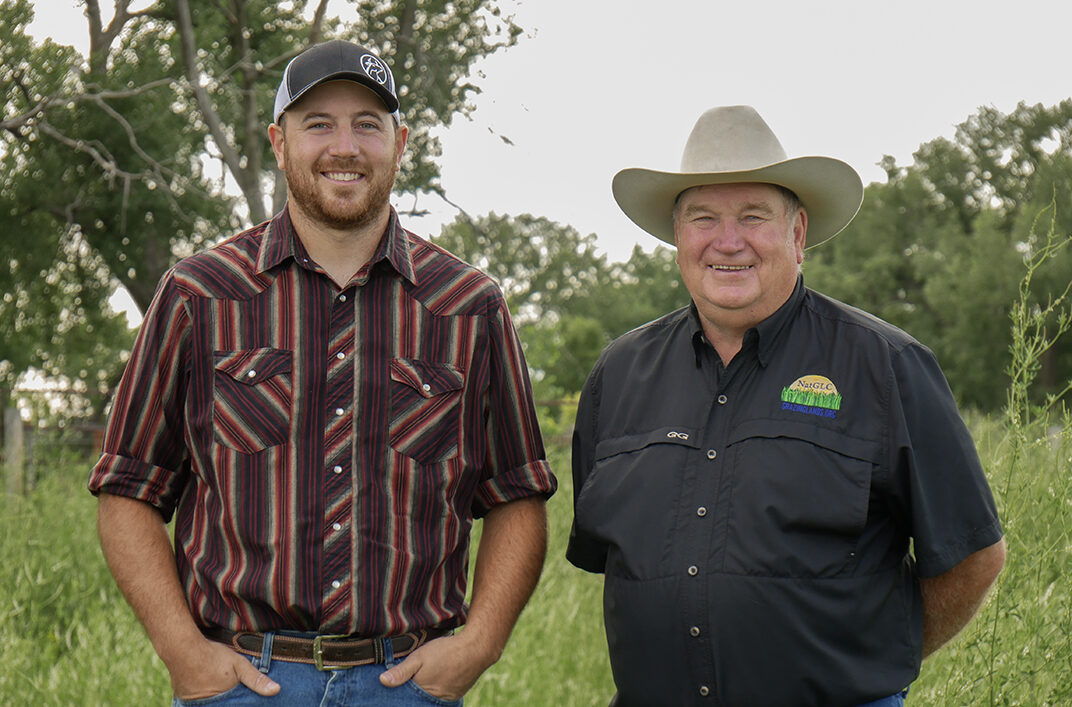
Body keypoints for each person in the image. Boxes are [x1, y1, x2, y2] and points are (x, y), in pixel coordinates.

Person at [89, 39, 556, 706]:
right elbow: (128, 486)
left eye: (368, 124)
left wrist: (478, 645)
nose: (346, 146)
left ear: (401, 143)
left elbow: (516, 493)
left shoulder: (468, 306)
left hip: (406, 684)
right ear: (279, 143)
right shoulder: (199, 295)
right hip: (245, 684)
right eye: (319, 124)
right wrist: (184, 652)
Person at [566, 105, 1005, 707]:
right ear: (677, 238)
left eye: (753, 217)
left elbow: (974, 554)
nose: (728, 241)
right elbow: (609, 560)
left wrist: (873, 655)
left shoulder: (886, 366)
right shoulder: (617, 376)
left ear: (797, 235)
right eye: (703, 218)